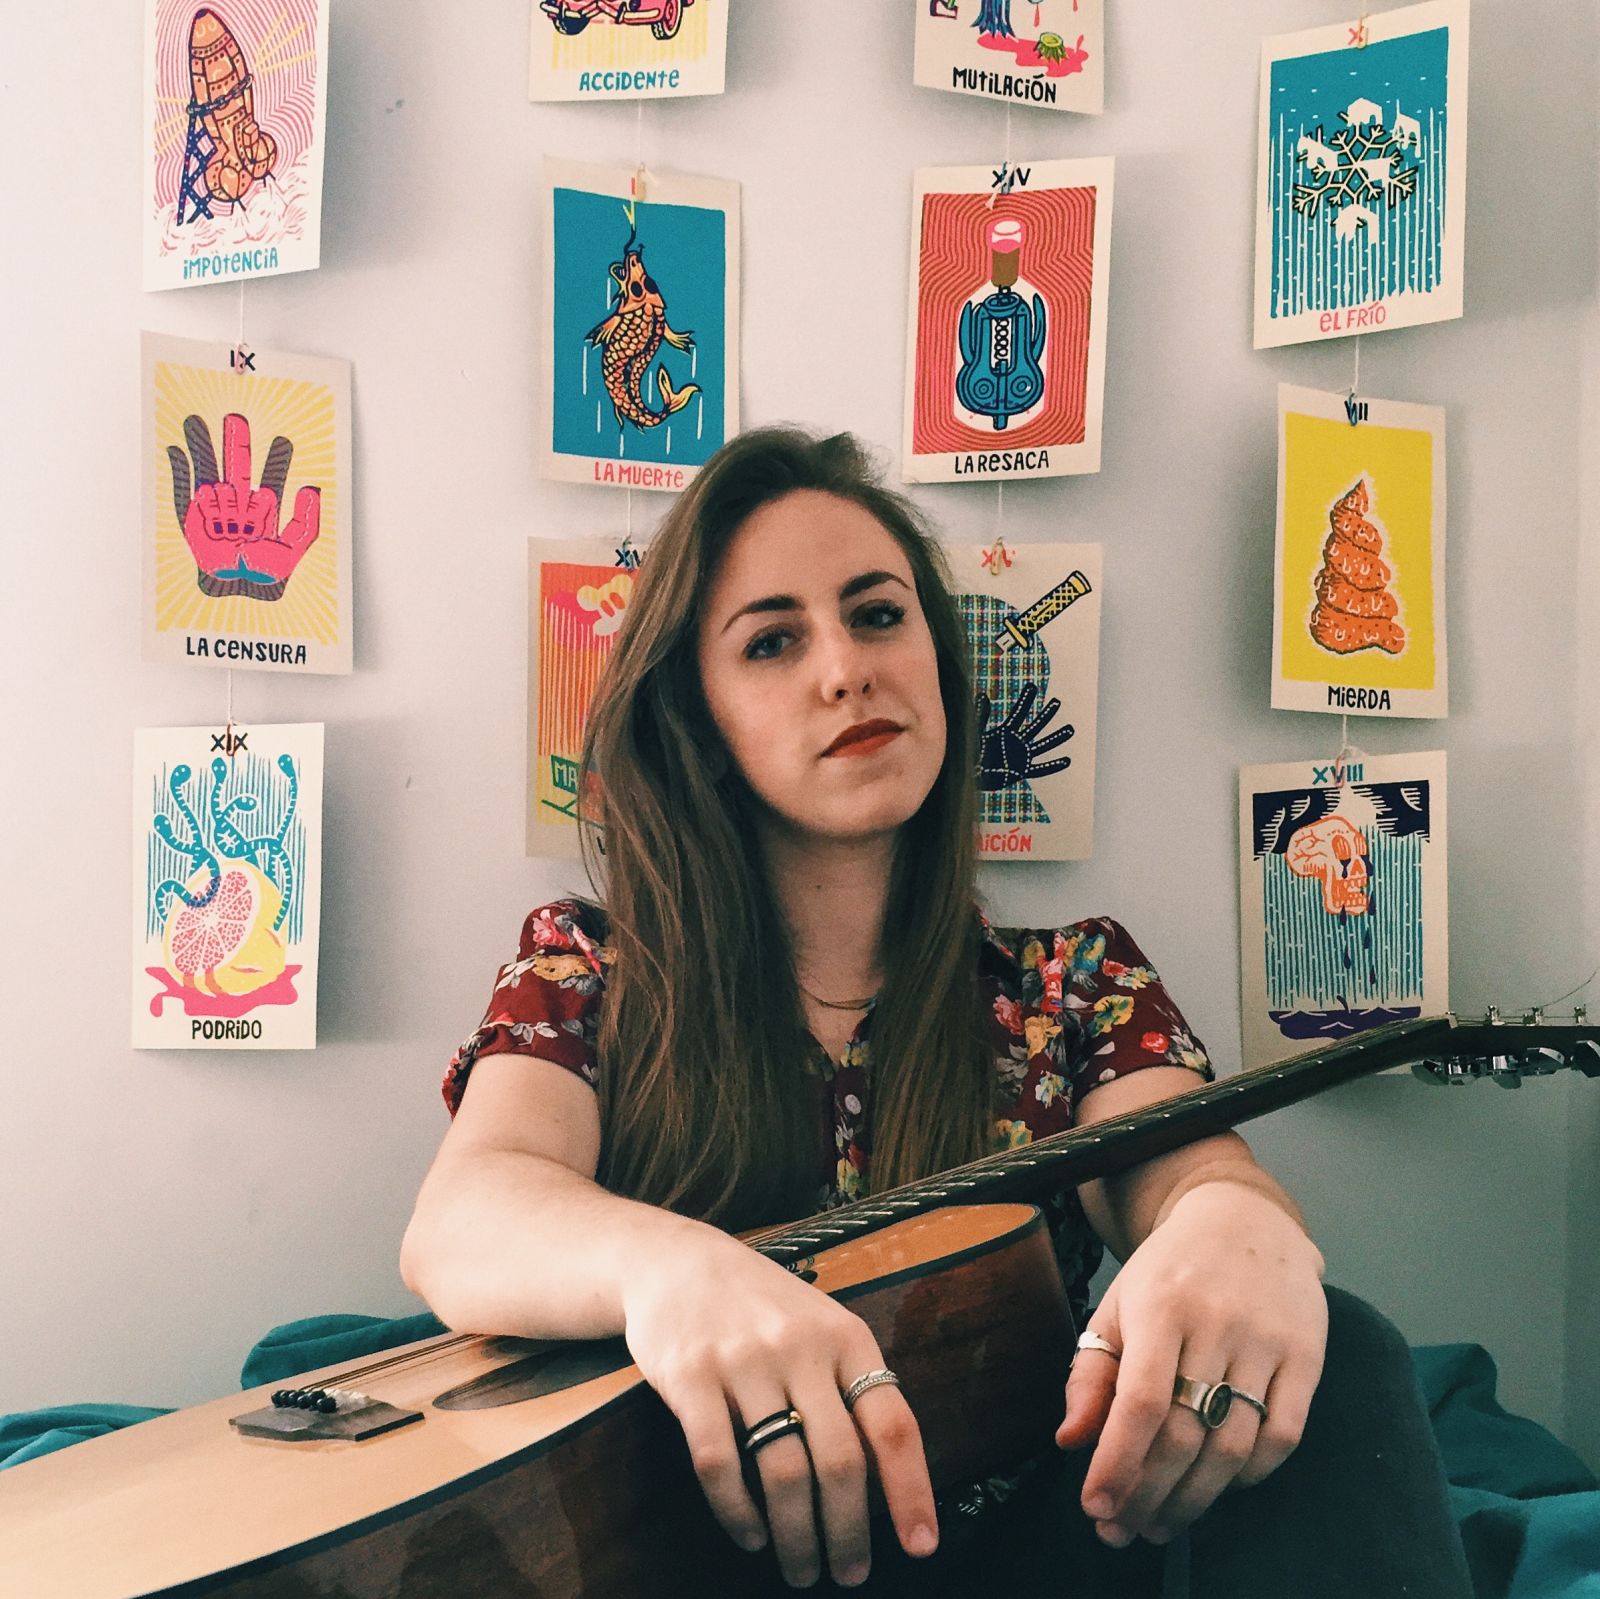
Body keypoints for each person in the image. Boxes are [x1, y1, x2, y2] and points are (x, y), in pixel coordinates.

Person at [401, 427, 1473, 1596]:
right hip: (701, 1551)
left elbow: (1188, 1172)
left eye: (877, 615)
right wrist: (676, 1273)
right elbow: (467, 1215)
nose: (845, 670)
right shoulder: (587, 966)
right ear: (700, 724)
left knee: (1342, 1350)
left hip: (1009, 1555)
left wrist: (1231, 1228)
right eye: (771, 641)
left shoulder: (1074, 982)